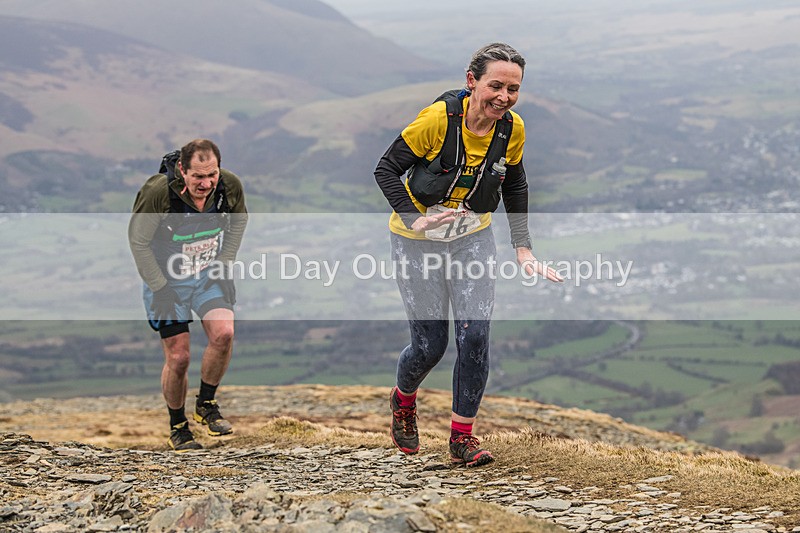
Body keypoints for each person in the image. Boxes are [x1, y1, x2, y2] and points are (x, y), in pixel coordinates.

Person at [374, 43, 562, 467]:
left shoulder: (512, 129)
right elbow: (385, 168)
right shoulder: (438, 120)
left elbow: (515, 185)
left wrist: (523, 247)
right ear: (471, 80)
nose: (504, 97)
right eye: (496, 85)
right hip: (417, 241)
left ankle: (462, 438)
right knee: (430, 345)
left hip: (471, 237)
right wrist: (411, 218)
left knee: (475, 337)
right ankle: (403, 400)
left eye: (513, 89)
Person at [128, 139, 248, 452]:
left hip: (207, 276)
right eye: (198, 177)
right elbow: (139, 242)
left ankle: (206, 405)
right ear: (183, 170)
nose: (206, 183)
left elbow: (239, 220)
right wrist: (160, 289)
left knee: (224, 333)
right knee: (179, 357)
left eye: (212, 175)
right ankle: (178, 426)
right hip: (167, 282)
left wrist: (224, 264)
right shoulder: (159, 192)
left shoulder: (228, 186)